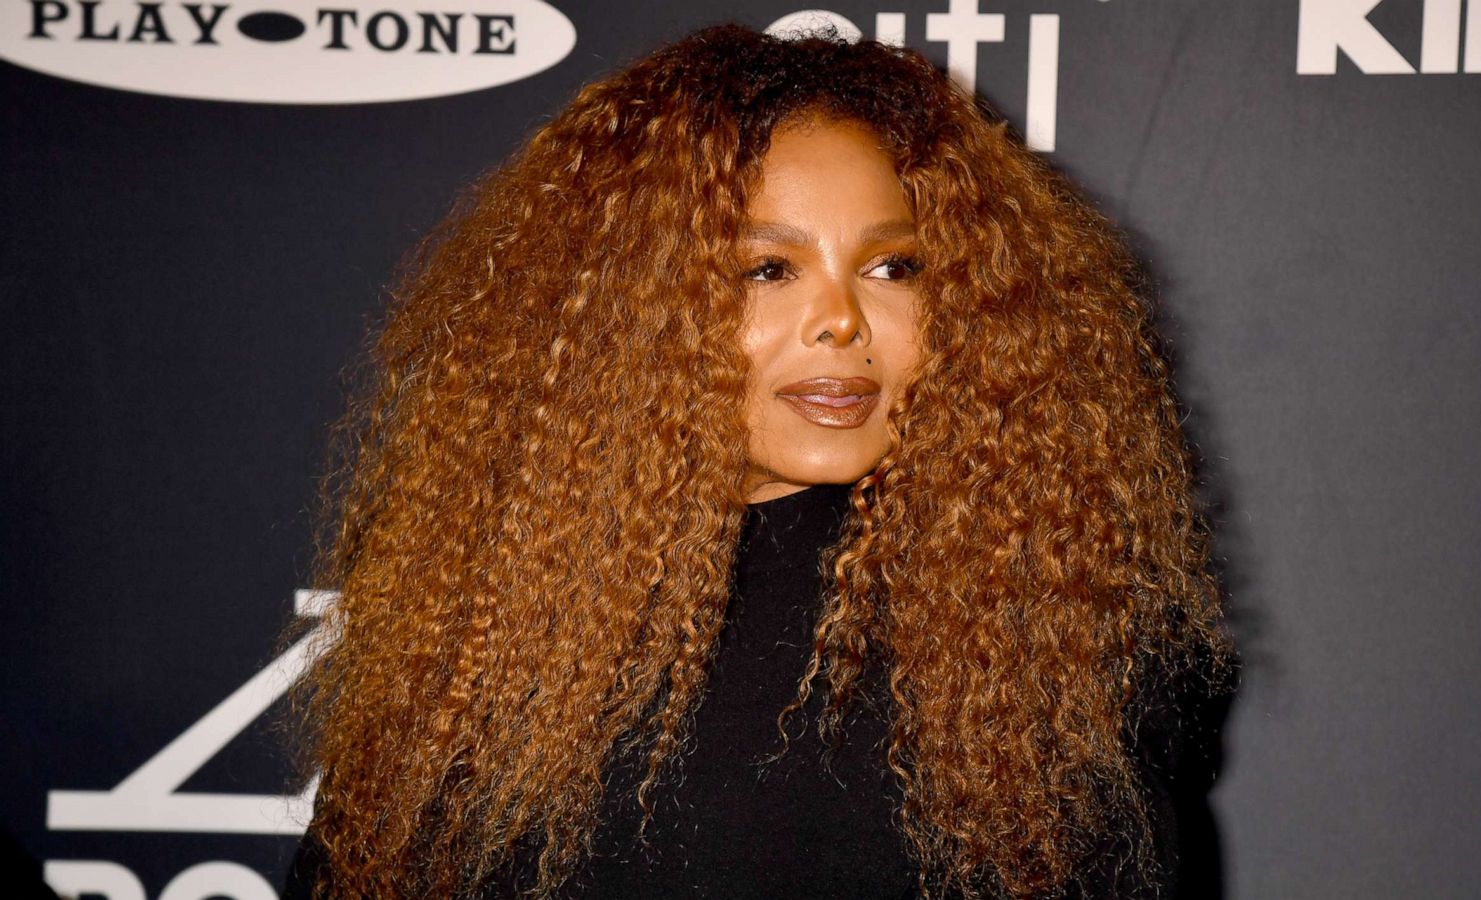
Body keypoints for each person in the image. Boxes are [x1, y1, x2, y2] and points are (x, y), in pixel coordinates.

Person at [281, 22, 1232, 900]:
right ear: (631, 308)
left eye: (895, 266)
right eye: (766, 270)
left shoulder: (1059, 628)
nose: (841, 320)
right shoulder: (480, 619)